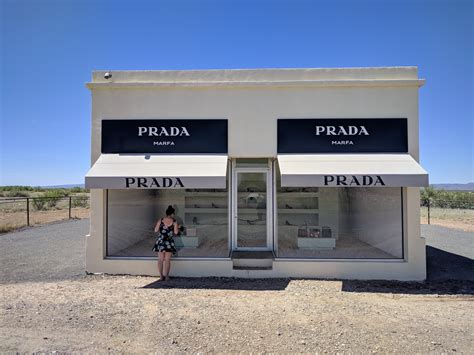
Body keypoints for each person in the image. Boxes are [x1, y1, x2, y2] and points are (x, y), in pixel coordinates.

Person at [152, 205, 178, 281]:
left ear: (166, 213)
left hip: (160, 241)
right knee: (167, 260)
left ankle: (161, 276)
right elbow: (176, 232)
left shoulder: (161, 220)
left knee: (160, 259)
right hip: (169, 242)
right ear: (172, 214)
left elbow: (156, 230)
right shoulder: (174, 221)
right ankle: (166, 276)